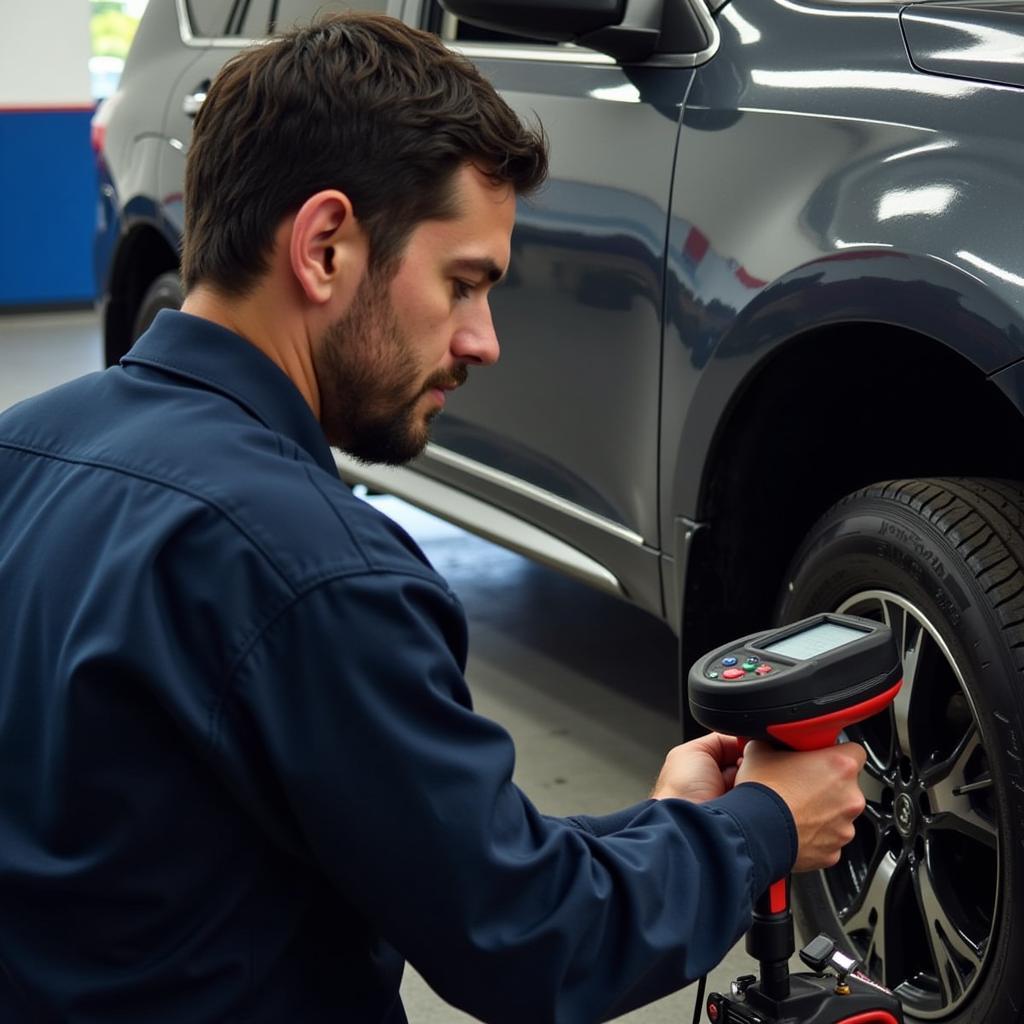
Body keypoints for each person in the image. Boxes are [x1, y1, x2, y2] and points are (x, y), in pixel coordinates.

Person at [0, 13, 866, 1023]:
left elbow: (455, 862)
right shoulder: (315, 572)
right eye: (464, 283)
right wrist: (767, 823)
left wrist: (671, 825)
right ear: (325, 247)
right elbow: (534, 943)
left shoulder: (25, 451)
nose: (482, 339)